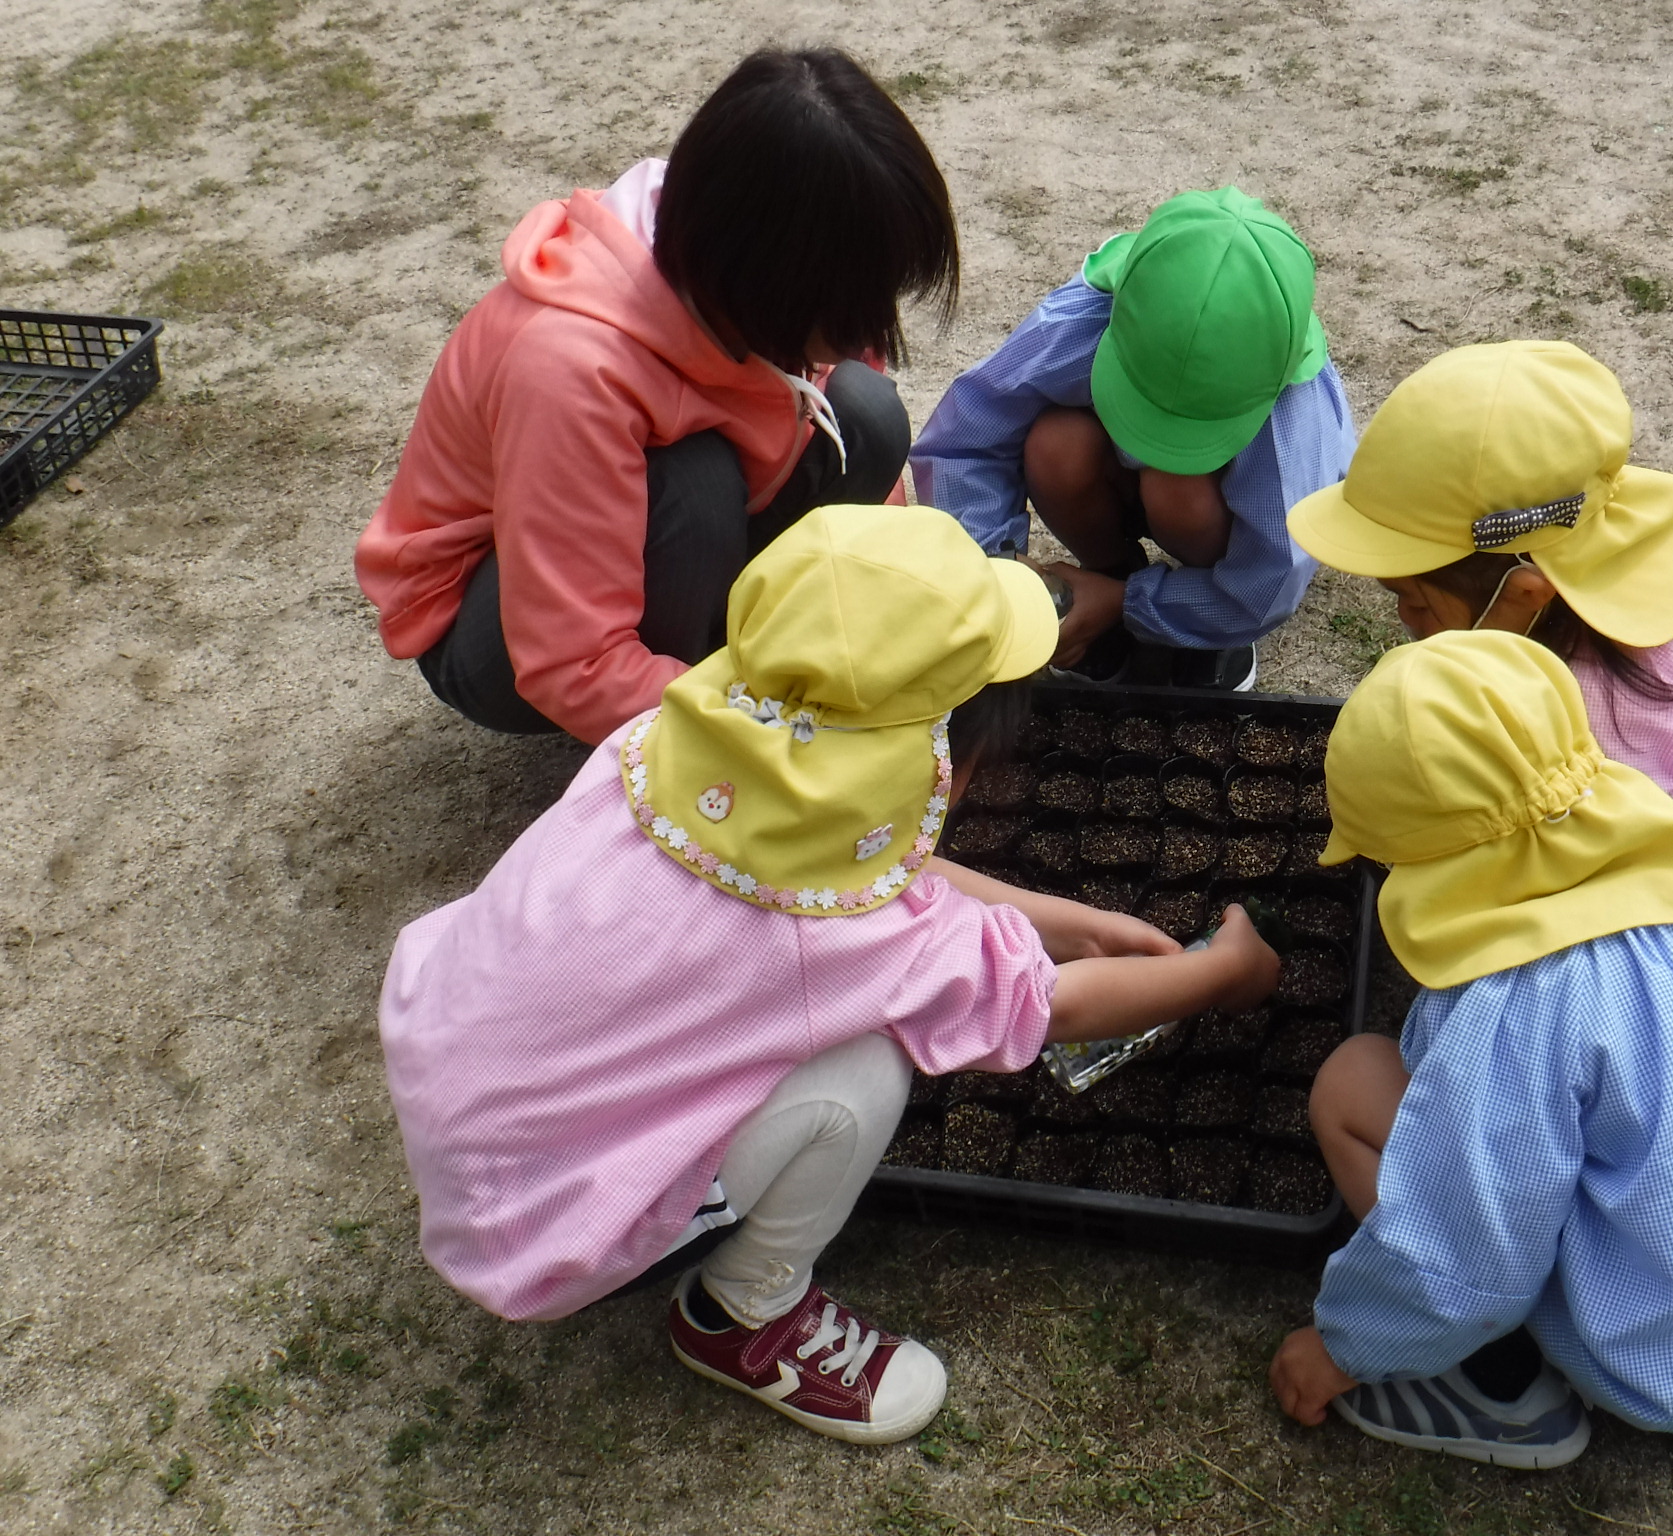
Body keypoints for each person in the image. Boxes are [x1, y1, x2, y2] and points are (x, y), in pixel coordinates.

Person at [377, 506, 1281, 1445]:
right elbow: (1051, 1004)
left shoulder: (654, 753)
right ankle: (744, 1315)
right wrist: (1220, 976)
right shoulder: (843, 936)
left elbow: (877, 868)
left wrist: (1071, 921)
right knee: (862, 1073)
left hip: (456, 1077)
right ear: (941, 766)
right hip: (547, 1227)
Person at [1266, 630, 1673, 1467]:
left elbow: (1464, 1247)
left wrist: (1343, 1348)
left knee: (1352, 1084)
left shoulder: (1529, 1005)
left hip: (1659, 1363)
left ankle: (1499, 1391)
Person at [355, 49, 959, 744]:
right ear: (776, 283)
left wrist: (892, 593)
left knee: (864, 413)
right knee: (694, 483)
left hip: (624, 549)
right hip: (500, 634)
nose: (872, 321)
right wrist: (768, 723)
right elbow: (567, 660)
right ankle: (668, 715)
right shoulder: (571, 369)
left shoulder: (751, 238)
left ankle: (704, 662)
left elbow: (840, 404)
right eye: (855, 303)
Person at [1287, 341, 1673, 909]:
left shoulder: (1601, 703)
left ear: (1523, 590)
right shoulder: (1617, 522)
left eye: (1414, 599)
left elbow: (1603, 836)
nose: (1402, 619)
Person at [910, 187, 1356, 692]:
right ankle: (1105, 583)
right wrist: (995, 565)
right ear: (1117, 311)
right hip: (1123, 483)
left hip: (1209, 514)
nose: (1159, 441)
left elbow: (1268, 581)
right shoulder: (1083, 319)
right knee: (1056, 446)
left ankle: (1199, 634)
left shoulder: (1293, 415)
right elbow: (964, 440)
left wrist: (1128, 602)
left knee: (1176, 487)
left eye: (1191, 431)